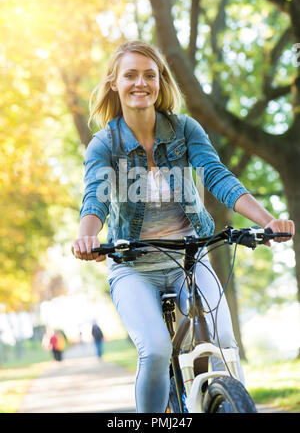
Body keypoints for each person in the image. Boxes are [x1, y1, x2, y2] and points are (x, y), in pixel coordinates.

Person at [72, 40, 295, 413]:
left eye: (149, 75)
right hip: (134, 266)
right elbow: (94, 197)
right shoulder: (103, 144)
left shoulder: (184, 129)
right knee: (157, 350)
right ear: (114, 83)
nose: (140, 83)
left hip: (190, 258)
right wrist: (87, 237)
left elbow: (217, 177)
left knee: (222, 338)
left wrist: (269, 222)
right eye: (130, 75)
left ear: (160, 81)